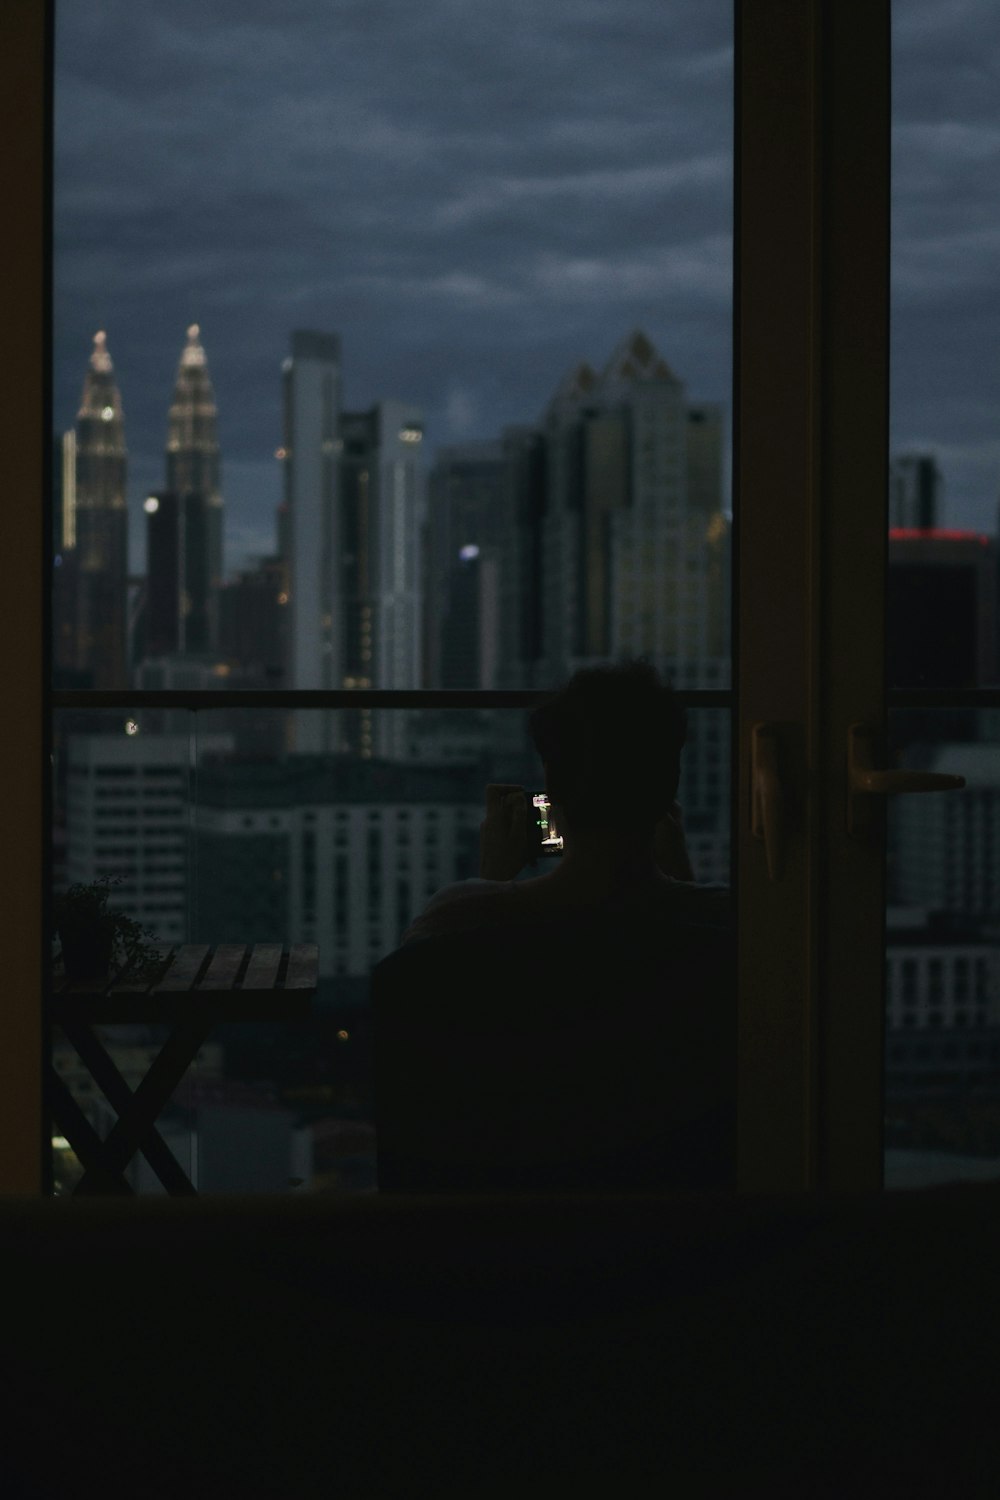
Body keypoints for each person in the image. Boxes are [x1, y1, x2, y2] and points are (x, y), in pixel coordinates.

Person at [401, 656, 730, 946]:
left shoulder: (453, 918)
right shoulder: (728, 924)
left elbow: (431, 980)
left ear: (551, 781)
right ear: (670, 782)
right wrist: (683, 882)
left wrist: (491, 883)